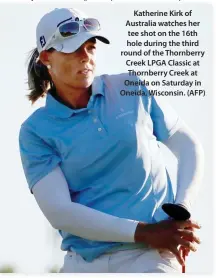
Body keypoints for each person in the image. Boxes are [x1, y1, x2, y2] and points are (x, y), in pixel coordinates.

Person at [19, 7, 204, 273]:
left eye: (91, 47)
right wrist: (145, 232)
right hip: (84, 263)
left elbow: (187, 144)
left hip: (151, 257)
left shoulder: (133, 88)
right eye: (73, 50)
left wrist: (181, 210)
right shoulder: (35, 131)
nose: (86, 57)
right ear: (47, 57)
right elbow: (59, 211)